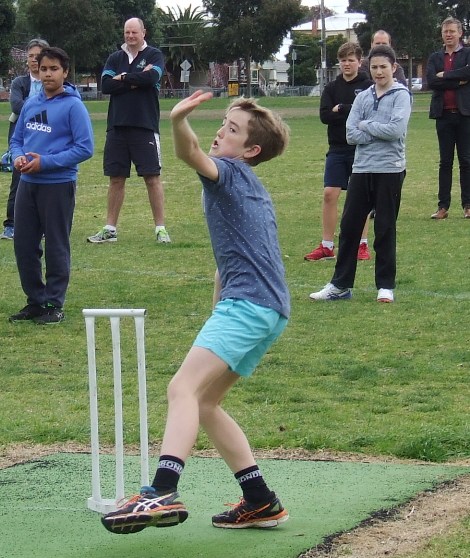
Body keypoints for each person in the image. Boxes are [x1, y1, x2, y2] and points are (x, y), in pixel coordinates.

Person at [101, 91, 291, 533]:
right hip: (267, 309)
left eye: (232, 129)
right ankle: (260, 500)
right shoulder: (250, 186)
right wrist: (219, 302)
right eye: (224, 123)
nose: (220, 132)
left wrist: (177, 119)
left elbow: (187, 152)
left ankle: (161, 490)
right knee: (205, 402)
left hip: (249, 306)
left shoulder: (227, 172)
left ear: (250, 150)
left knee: (181, 388)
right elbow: (236, 253)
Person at [309, 45, 411, 304]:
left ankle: (385, 285)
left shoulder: (401, 95)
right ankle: (340, 285)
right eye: (374, 67)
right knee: (350, 227)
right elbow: (350, 133)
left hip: (389, 169)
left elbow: (395, 130)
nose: (378, 72)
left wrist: (367, 125)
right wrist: (374, 128)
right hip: (361, 168)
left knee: (385, 227)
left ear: (393, 68)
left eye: (383, 67)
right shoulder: (364, 97)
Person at [9, 47, 94, 324]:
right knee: (24, 245)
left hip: (57, 185)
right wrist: (18, 156)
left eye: (54, 69)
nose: (48, 73)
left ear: (65, 72)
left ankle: (53, 303)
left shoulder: (73, 106)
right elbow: (17, 139)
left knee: (56, 245)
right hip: (27, 183)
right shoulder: (31, 104)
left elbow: (85, 148)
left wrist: (45, 162)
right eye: (43, 68)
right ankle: (35, 301)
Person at [87, 17, 170, 244]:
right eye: (127, 33)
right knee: (116, 178)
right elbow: (106, 86)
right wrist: (135, 81)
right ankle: (110, 229)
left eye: (134, 32)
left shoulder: (154, 56)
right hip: (117, 127)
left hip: (144, 125)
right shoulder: (115, 57)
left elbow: (152, 77)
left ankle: (161, 229)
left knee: (152, 177)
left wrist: (123, 78)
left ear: (144, 32)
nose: (130, 36)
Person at [304, 42, 373, 262]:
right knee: (329, 194)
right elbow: (325, 116)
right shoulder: (331, 88)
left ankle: (362, 245)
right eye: (343, 60)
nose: (346, 64)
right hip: (336, 148)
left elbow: (366, 114)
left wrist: (342, 108)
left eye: (351, 60)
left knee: (360, 198)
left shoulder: (368, 86)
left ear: (359, 62)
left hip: (360, 148)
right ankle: (326, 245)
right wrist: (349, 111)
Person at [0, 38, 49, 240]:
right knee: (18, 182)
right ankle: (11, 225)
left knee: (46, 184)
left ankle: (43, 225)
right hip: (22, 141)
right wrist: (41, 108)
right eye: (31, 56)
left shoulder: (52, 81)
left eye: (38, 56)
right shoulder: (20, 83)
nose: (34, 60)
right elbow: (17, 107)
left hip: (46, 140)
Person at [426, 17, 470, 219]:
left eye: (452, 31)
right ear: (442, 34)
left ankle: (468, 205)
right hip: (443, 115)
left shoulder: (468, 53)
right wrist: (459, 81)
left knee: (466, 161)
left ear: (460, 33)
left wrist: (446, 75)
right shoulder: (435, 57)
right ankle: (443, 207)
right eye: (446, 31)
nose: (449, 34)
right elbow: (432, 81)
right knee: (445, 162)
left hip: (464, 115)